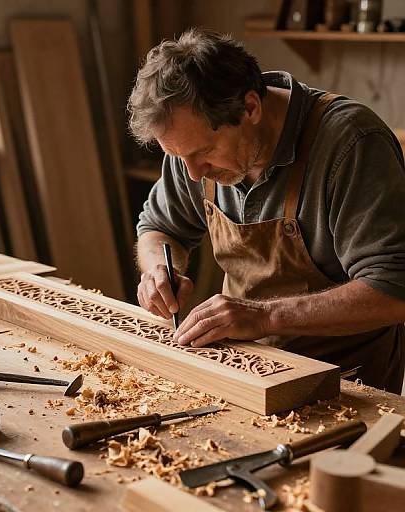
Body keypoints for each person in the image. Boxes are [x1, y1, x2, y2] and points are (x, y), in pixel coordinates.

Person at [128, 28, 405, 393]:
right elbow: (159, 227)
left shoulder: (351, 143)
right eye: (179, 157)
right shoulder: (191, 148)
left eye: (203, 152)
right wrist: (158, 270)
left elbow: (394, 290)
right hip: (242, 368)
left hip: (344, 381)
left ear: (250, 108)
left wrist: (264, 316)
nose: (193, 173)